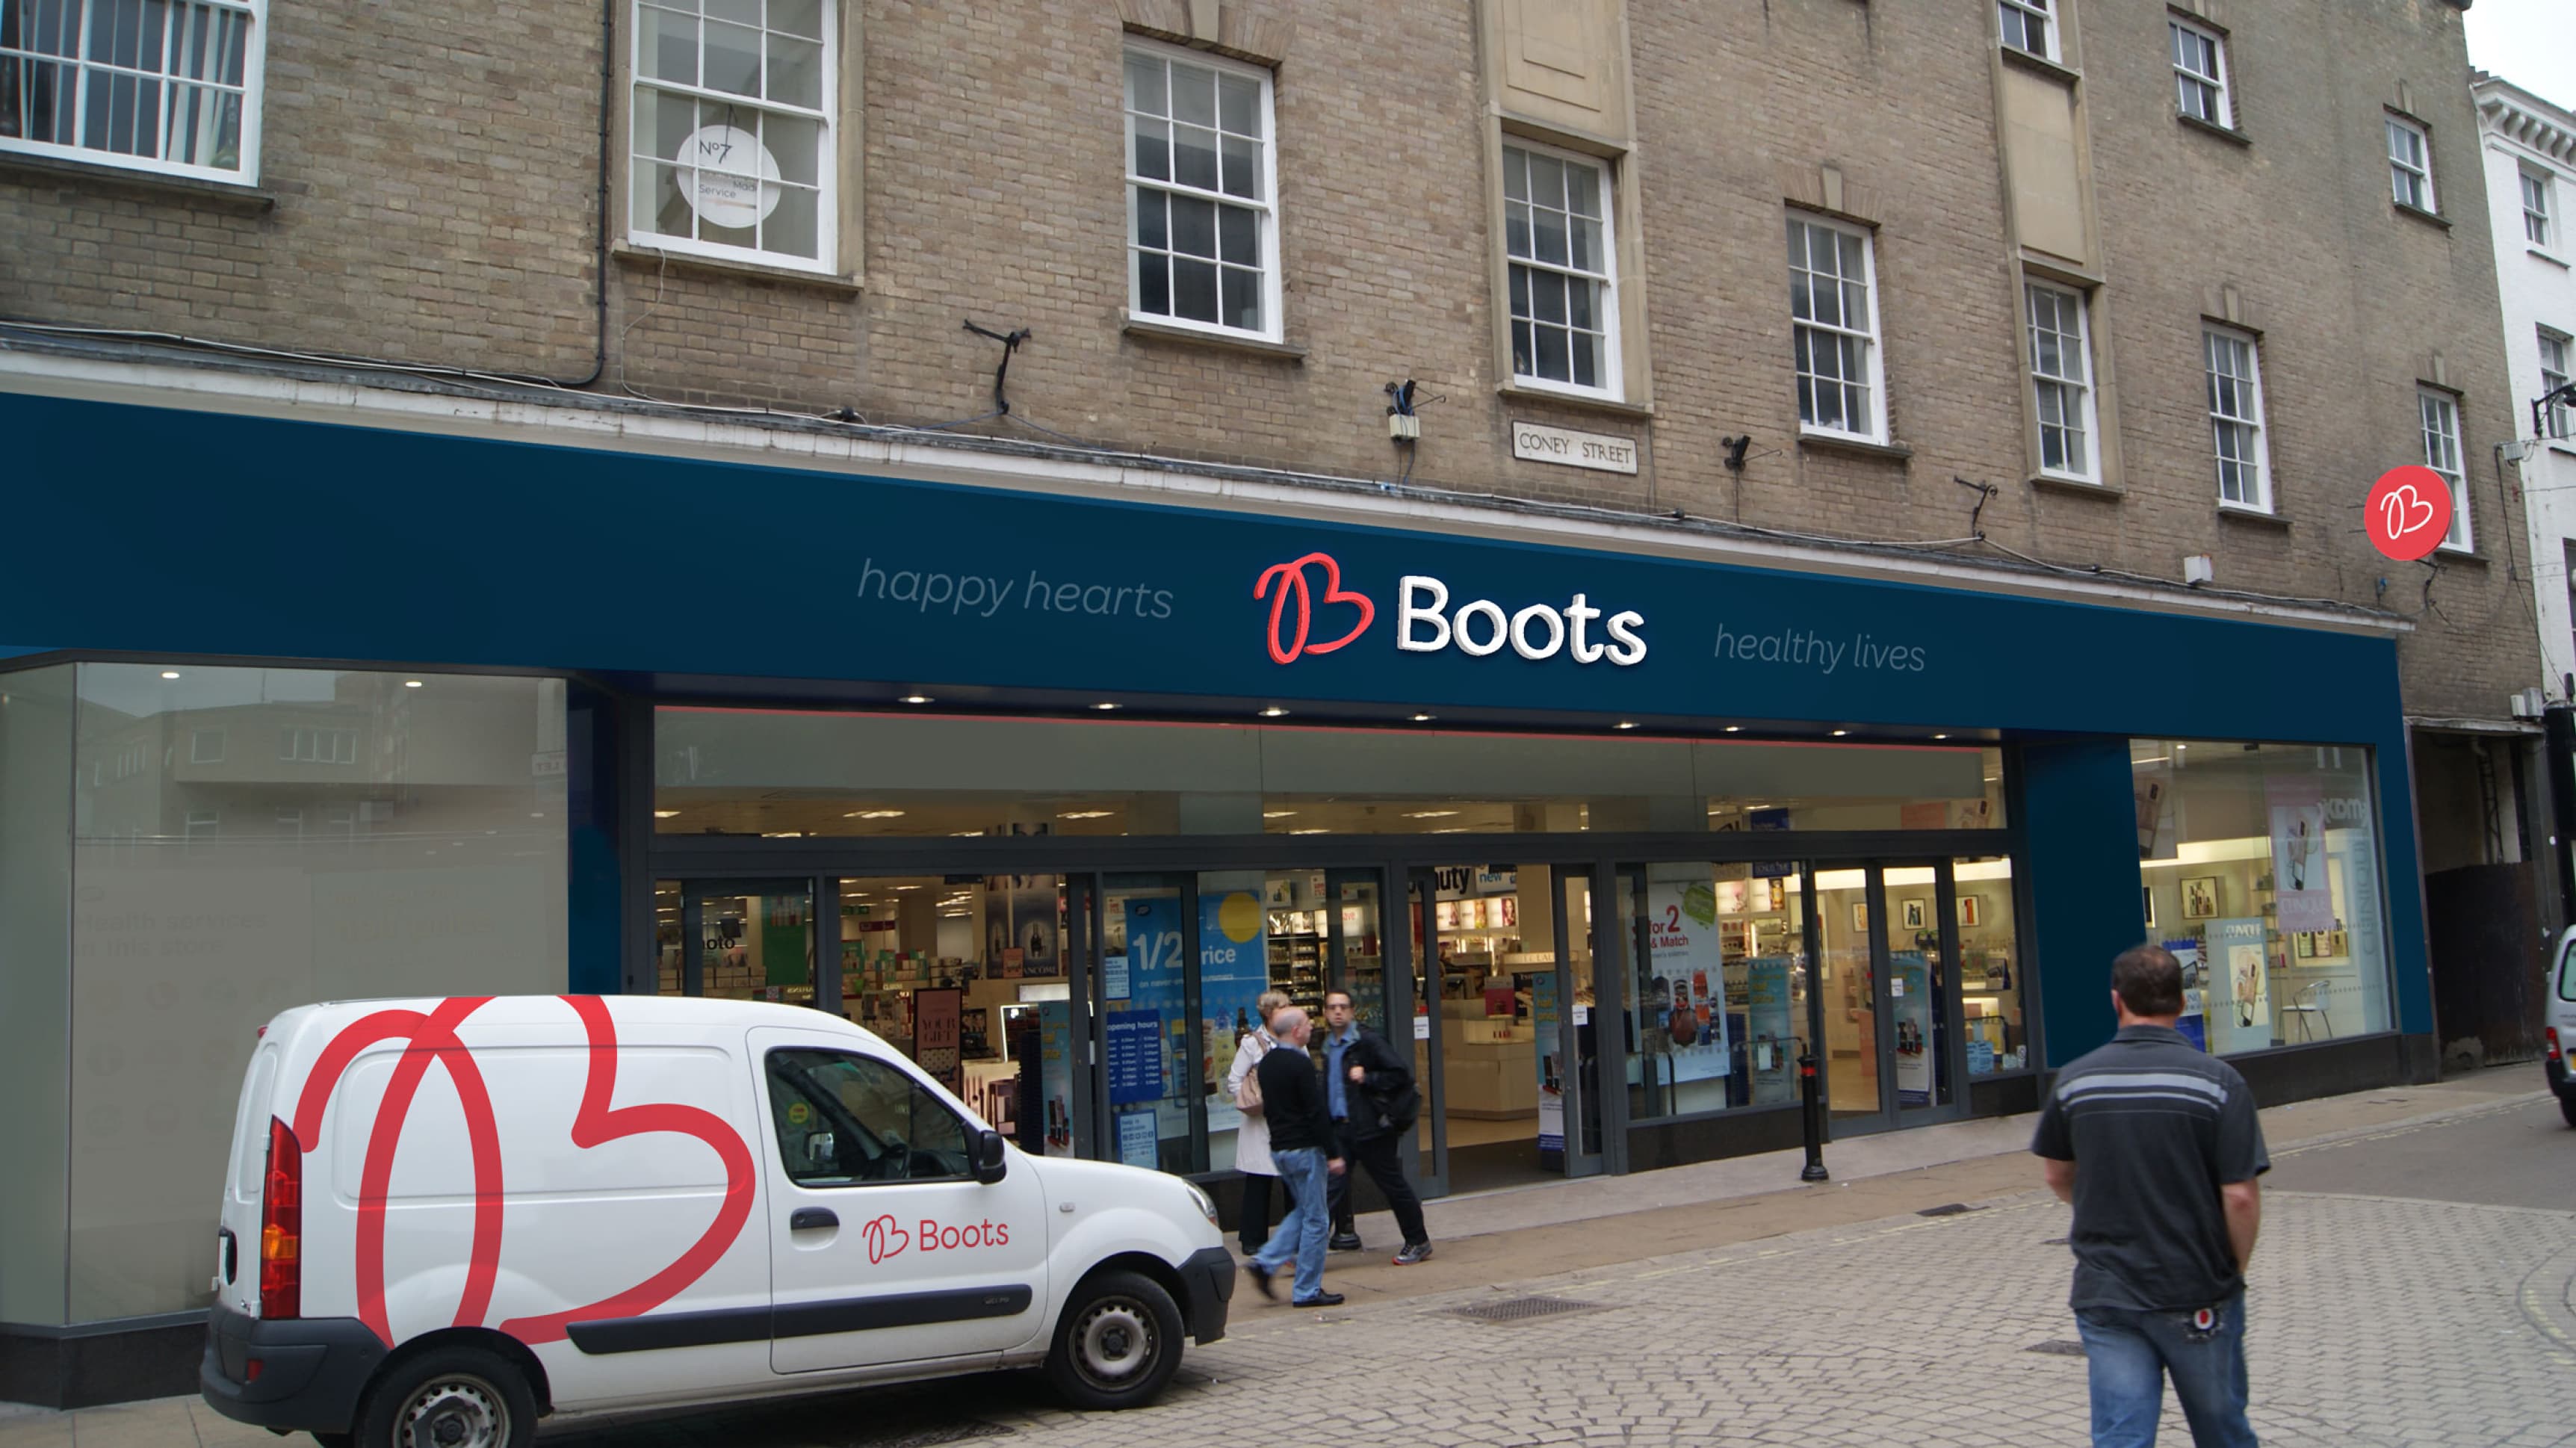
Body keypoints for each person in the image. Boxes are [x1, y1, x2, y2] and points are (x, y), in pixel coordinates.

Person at [2032, 944, 2269, 1448]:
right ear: (2182, 1004)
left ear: (2116, 1002)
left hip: (2108, 1292)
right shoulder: (2220, 1084)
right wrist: (2233, 1271)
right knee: (2223, 1431)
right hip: (2197, 1290)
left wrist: (2104, 1206)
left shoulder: (2076, 1082)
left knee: (2122, 1436)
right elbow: (2241, 1197)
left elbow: (2057, 1175)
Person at [1319, 990, 1433, 1266]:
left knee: (1392, 1185)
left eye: (1343, 1007)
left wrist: (1368, 1077)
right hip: (1342, 1128)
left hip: (1372, 1128)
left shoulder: (1367, 1041)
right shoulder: (1329, 1046)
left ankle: (1418, 1240)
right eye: (1332, 1007)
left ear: (1352, 1011)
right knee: (1331, 1189)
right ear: (1325, 1012)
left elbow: (1400, 1073)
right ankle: (1309, 1250)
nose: (1337, 1012)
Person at [1243, 1006, 1344, 1308]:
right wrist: (1333, 1152)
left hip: (1280, 1149)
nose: (1312, 1027)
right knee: (1317, 1219)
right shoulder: (1300, 1064)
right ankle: (1307, 1289)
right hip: (1305, 1149)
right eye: (1307, 1024)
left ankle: (1265, 1261)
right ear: (1295, 1030)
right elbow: (1315, 1111)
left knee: (1304, 1211)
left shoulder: (1267, 1063)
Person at [1222, 990, 1292, 1255]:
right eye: (1284, 1007)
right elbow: (1233, 1081)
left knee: (1292, 1180)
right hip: (1260, 1122)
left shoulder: (1295, 1038)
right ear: (1269, 1012)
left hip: (1288, 1121)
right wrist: (1255, 1098)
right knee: (1259, 1181)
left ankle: (1291, 1238)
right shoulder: (1251, 1044)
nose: (1289, 1010)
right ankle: (1253, 1239)